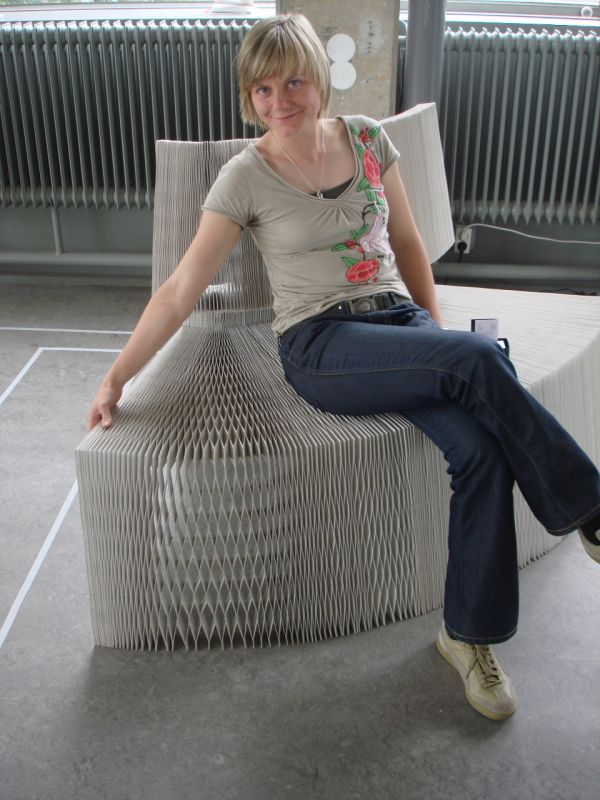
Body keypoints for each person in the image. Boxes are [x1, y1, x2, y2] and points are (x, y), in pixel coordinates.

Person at [87, 13, 600, 721]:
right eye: (262, 89)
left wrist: (434, 341)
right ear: (249, 96)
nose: (280, 101)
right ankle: (589, 509)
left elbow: (408, 243)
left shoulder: (366, 139)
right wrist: (116, 377)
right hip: (323, 344)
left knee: (480, 450)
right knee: (481, 359)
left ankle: (466, 636)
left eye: (293, 82)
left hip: (400, 327)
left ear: (319, 79)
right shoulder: (244, 177)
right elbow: (181, 290)